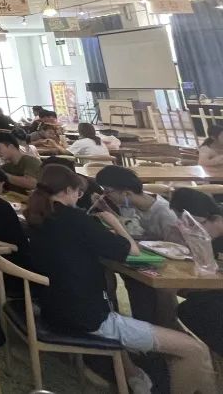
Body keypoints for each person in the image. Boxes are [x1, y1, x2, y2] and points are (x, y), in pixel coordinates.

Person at [26, 164, 214, 394]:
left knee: (122, 305)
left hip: (54, 310)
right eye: (78, 192)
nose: (79, 197)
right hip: (88, 320)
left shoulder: (37, 217)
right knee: (194, 350)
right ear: (67, 191)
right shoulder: (77, 220)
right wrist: (115, 222)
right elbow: (130, 250)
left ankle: (135, 374)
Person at [168, 188, 223, 355]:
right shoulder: (210, 237)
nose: (194, 230)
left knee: (199, 309)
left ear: (215, 218)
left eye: (195, 224)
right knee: (190, 307)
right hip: (214, 289)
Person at [95, 165, 182, 243]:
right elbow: (128, 226)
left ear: (127, 193)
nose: (104, 195)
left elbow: (176, 246)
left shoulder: (166, 213)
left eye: (107, 191)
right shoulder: (128, 203)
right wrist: (106, 209)